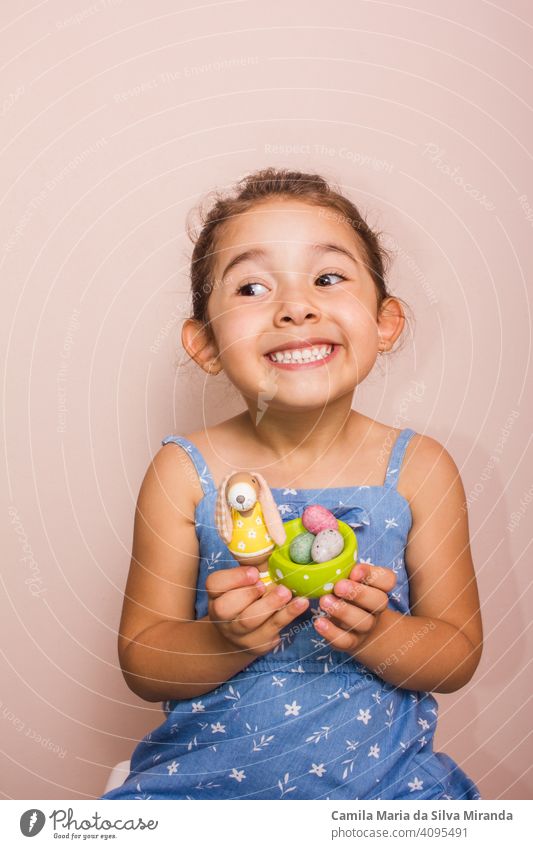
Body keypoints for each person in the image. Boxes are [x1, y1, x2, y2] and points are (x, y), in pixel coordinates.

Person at [101, 167, 483, 800]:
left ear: (385, 322)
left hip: (382, 796)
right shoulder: (184, 471)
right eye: (252, 286)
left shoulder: (420, 468)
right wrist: (225, 639)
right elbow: (144, 660)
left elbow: (457, 655)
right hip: (203, 794)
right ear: (206, 343)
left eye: (328, 278)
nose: (296, 306)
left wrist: (378, 631)